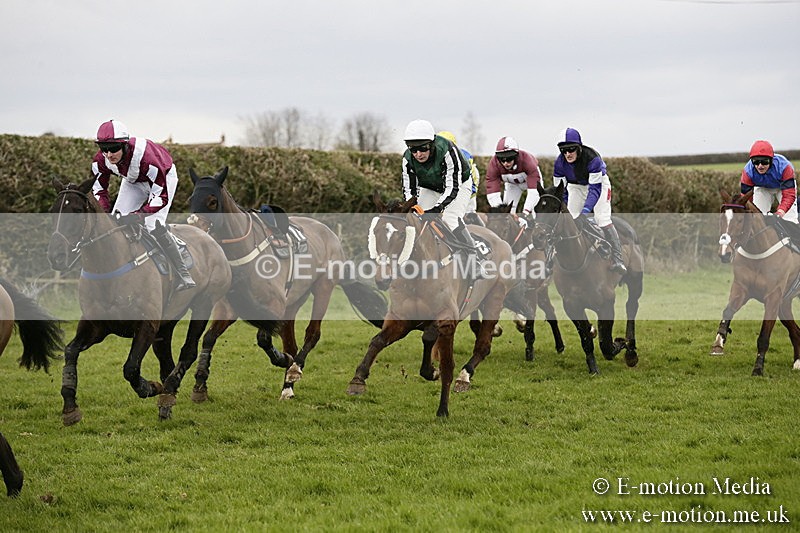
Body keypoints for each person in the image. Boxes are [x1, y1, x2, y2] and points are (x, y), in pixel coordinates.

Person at [91, 119, 195, 290]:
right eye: (104, 149)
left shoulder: (147, 159)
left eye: (114, 148)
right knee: (114, 224)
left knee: (152, 225)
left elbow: (160, 197)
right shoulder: (100, 161)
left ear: (124, 145)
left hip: (162, 179)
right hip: (133, 182)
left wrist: (138, 215)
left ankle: (182, 272)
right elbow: (99, 190)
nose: (109, 155)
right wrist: (105, 213)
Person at [402, 119, 487, 278]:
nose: (418, 154)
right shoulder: (407, 159)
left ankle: (473, 260)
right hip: (431, 186)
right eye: (413, 149)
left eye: (423, 148)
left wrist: (436, 209)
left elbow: (451, 187)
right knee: (417, 219)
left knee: (450, 218)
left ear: (432, 143)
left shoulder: (447, 150)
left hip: (459, 184)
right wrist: (411, 207)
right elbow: (409, 189)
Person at [553, 127, 627, 275]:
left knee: (602, 219)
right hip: (576, 186)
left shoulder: (592, 158)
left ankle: (618, 259)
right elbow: (561, 192)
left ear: (579, 147)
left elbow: (594, 190)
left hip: (598, 185)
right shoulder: (559, 164)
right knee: (570, 219)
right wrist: (564, 207)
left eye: (571, 149)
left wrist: (586, 210)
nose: (567, 154)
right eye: (564, 150)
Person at [485, 136, 543, 219]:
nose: (505, 163)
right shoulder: (494, 164)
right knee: (508, 214)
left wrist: (525, 213)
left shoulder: (527, 161)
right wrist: (500, 213)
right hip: (512, 185)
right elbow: (492, 192)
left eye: (509, 159)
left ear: (515, 156)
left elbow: (534, 192)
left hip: (531, 184)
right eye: (502, 159)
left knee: (533, 212)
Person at [740, 140, 797, 223]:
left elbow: (789, 195)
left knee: (789, 218)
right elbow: (746, 199)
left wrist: (780, 212)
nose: (760, 166)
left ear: (771, 160)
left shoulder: (785, 167)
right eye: (755, 162)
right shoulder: (747, 172)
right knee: (758, 219)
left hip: (783, 188)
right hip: (763, 188)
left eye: (764, 162)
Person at [437, 130, 481, 214]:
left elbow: (471, 184)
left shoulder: (464, 160)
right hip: (446, 191)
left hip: (468, 188)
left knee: (468, 214)